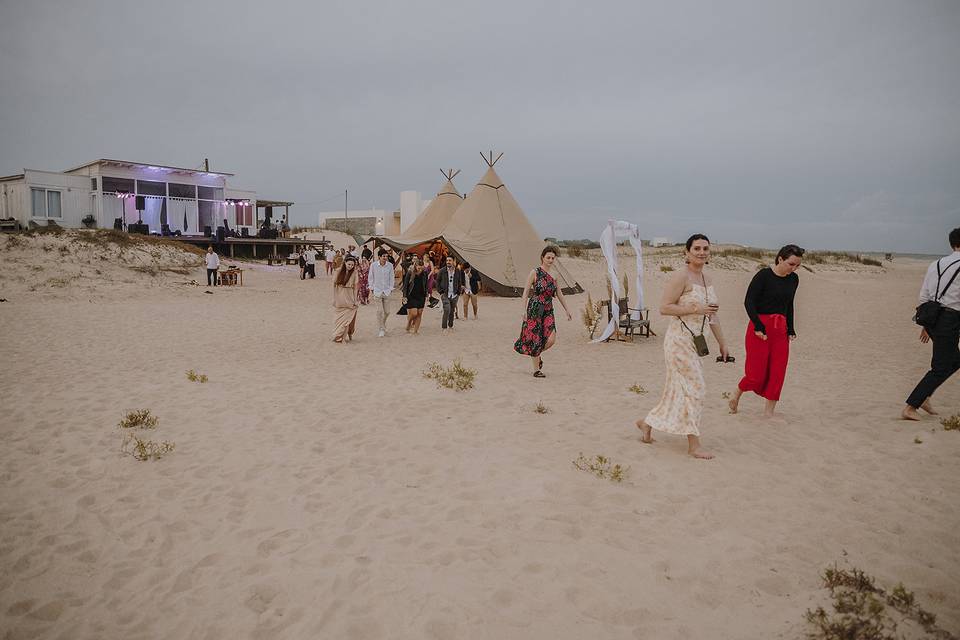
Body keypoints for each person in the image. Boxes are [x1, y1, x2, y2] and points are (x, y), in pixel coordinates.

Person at [635, 234, 730, 460]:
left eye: (705, 248)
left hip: (697, 342)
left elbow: (713, 315)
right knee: (696, 389)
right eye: (696, 248)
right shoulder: (680, 276)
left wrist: (722, 343)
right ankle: (694, 445)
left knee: (680, 390)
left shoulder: (708, 278)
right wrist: (695, 309)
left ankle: (647, 423)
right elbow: (664, 308)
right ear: (686, 252)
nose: (701, 252)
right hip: (678, 341)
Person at [728, 244, 803, 418]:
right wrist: (758, 326)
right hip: (759, 328)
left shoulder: (794, 279)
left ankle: (769, 412)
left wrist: (791, 328)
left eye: (798, 265)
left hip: (781, 329)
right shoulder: (763, 276)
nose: (794, 268)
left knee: (778, 371)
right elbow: (749, 302)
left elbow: (789, 304)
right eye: (791, 264)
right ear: (780, 259)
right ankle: (737, 392)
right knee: (756, 374)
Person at [902, 227, 960, 420]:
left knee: (955, 360)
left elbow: (924, 296)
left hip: (934, 319)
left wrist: (927, 325)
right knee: (941, 367)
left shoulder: (936, 264)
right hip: (949, 320)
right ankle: (911, 406)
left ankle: (925, 396)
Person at [513, 246, 573, 376]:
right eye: (548, 258)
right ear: (542, 258)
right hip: (535, 307)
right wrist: (523, 310)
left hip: (548, 308)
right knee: (536, 338)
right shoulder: (535, 272)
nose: (550, 260)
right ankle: (536, 370)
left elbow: (559, 293)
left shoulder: (555, 275)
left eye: (552, 258)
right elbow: (525, 293)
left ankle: (537, 354)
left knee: (551, 339)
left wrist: (567, 309)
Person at [332, 255, 359, 343]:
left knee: (347, 319)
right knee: (338, 319)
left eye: (352, 265)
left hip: (349, 297)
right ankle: (338, 335)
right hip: (340, 297)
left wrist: (355, 300)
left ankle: (343, 338)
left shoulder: (355, 273)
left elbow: (355, 288)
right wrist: (334, 298)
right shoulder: (338, 271)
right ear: (345, 263)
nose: (350, 266)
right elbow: (334, 286)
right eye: (349, 264)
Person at [369, 250, 395, 337]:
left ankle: (383, 325)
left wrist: (391, 288)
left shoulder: (390, 266)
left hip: (387, 291)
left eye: (386, 256)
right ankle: (381, 329)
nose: (385, 258)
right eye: (383, 256)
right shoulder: (373, 265)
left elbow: (392, 277)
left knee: (387, 312)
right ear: (379, 257)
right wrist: (372, 288)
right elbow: (371, 277)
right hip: (377, 291)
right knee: (379, 311)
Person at [435, 255, 464, 334]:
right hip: (445, 293)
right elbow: (437, 282)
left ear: (453, 261)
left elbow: (460, 281)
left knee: (452, 310)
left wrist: (458, 292)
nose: (448, 262)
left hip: (455, 294)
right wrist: (440, 292)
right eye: (447, 260)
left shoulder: (458, 271)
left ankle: (450, 325)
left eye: (450, 260)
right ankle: (444, 327)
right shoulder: (442, 271)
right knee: (447, 309)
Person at [402, 258, 428, 334]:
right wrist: (404, 296)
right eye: (418, 268)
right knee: (414, 313)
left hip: (421, 295)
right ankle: (409, 323)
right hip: (411, 295)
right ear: (415, 266)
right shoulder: (410, 273)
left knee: (419, 313)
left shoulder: (424, 273)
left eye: (421, 268)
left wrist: (427, 294)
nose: (420, 270)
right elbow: (405, 285)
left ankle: (415, 331)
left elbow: (425, 284)